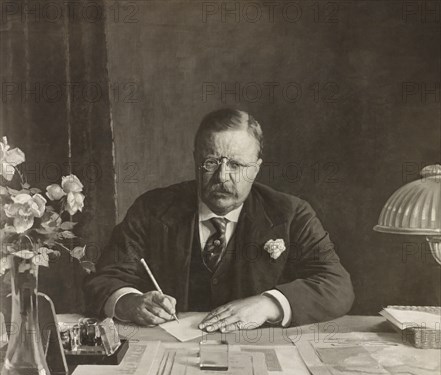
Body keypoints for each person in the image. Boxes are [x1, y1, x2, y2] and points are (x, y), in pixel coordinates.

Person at [84, 108, 354, 332]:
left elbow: (337, 285)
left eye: (236, 165)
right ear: (195, 161)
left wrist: (269, 304)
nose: (222, 177)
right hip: (170, 352)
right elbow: (104, 278)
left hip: (260, 354)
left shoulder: (290, 213)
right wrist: (129, 302)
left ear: (256, 169)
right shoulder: (153, 209)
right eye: (211, 162)